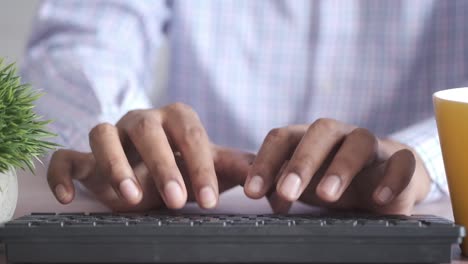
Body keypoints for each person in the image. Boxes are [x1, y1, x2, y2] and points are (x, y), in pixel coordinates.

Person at [22, 0, 463, 215]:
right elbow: (79, 42)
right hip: (179, 224)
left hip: (428, 221)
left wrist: (423, 158)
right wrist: (120, 141)